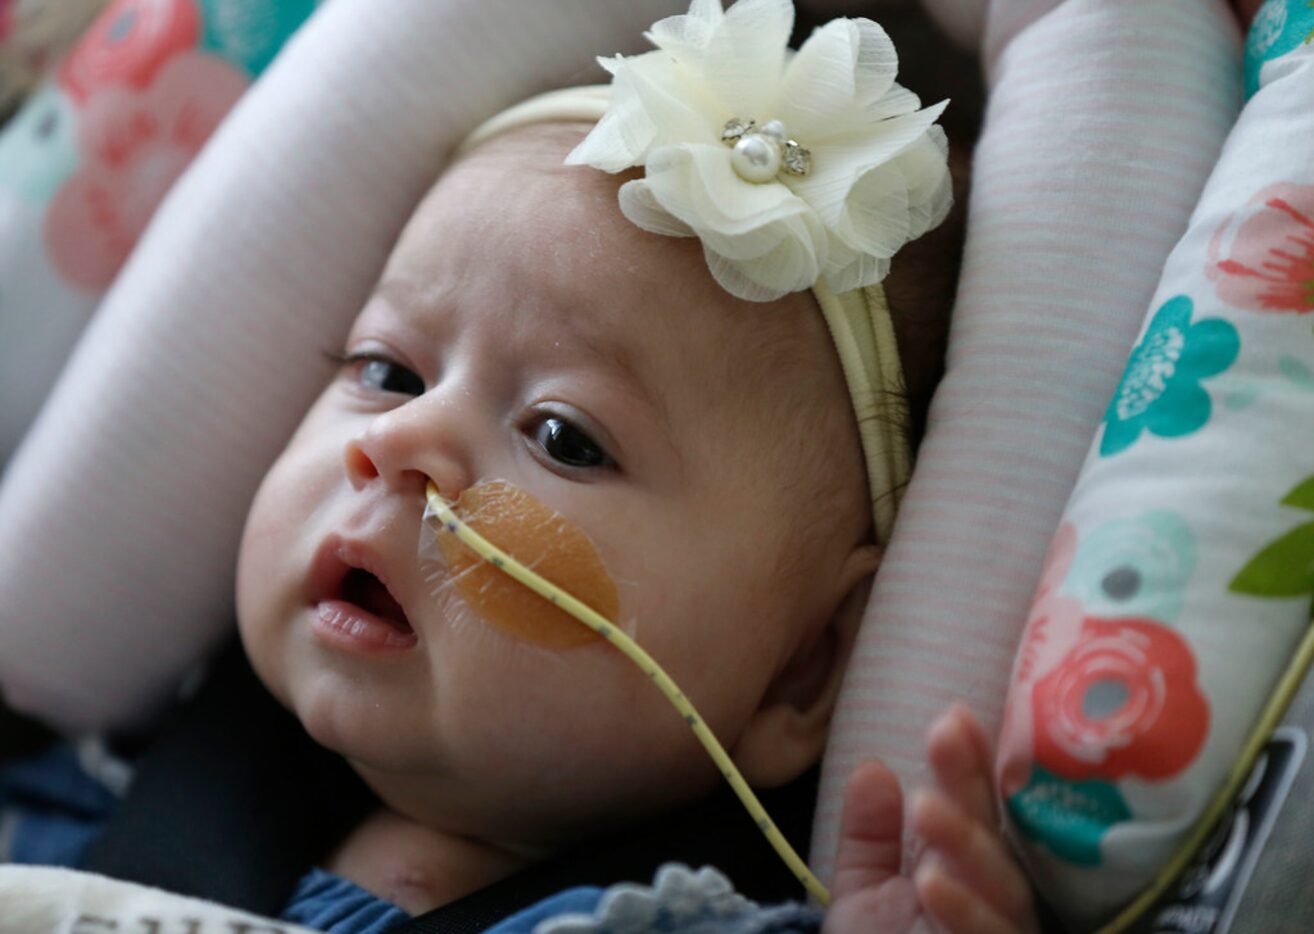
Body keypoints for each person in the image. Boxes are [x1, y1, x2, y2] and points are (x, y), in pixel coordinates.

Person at [1, 2, 1037, 930]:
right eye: (385, 369)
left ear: (805, 669)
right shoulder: (85, 790)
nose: (397, 445)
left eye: (564, 438)